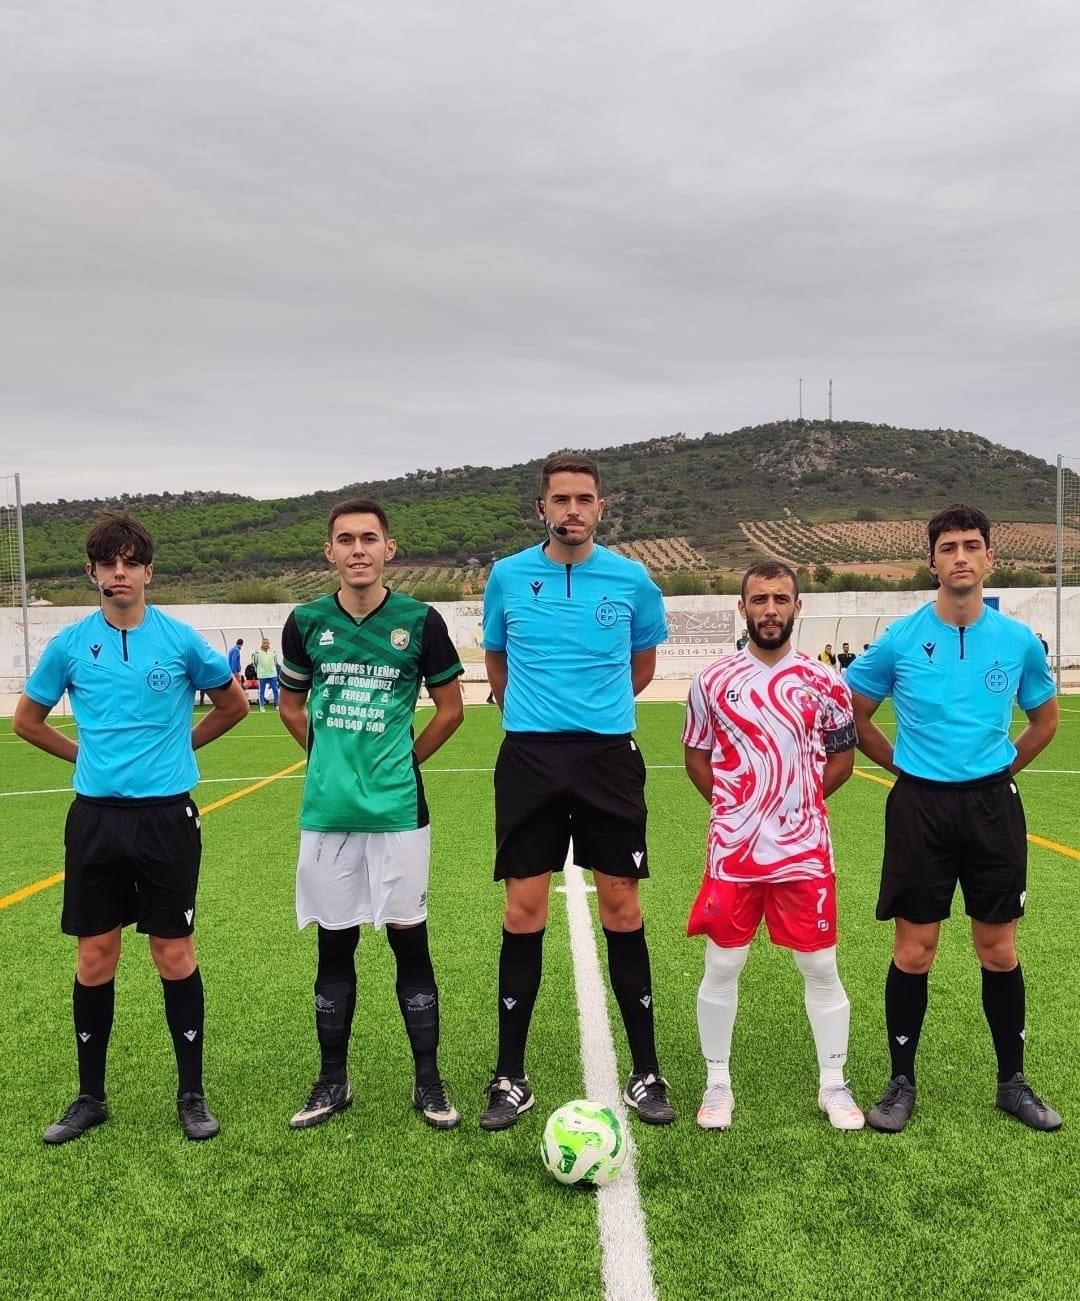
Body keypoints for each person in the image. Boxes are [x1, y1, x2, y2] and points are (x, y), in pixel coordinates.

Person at [12, 514, 249, 1144]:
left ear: (148, 570)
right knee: (95, 956)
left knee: (174, 954)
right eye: (107, 563)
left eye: (131, 562)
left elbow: (235, 704)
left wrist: (184, 749)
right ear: (92, 572)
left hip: (167, 818)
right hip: (96, 821)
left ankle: (192, 1094)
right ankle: (90, 1096)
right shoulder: (68, 644)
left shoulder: (181, 641)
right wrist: (84, 760)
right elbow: (28, 721)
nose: (120, 573)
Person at [847, 503, 1060, 1133]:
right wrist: (905, 770)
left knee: (998, 949)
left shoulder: (1018, 640)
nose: (960, 556)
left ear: (990, 557)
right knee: (915, 951)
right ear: (932, 560)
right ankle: (901, 1082)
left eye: (971, 545)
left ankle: (1012, 1083)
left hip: (993, 806)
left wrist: (1000, 772)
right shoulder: (902, 638)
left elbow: (1044, 719)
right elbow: (855, 716)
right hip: (920, 807)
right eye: (948, 547)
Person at [479, 452, 675, 1130]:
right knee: (523, 909)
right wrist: (527, 710)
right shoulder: (507, 576)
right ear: (541, 508)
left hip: (607, 758)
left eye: (583, 498)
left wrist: (598, 712)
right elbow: (495, 657)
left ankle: (647, 1070)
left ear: (601, 506)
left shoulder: (630, 578)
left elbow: (641, 662)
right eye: (560, 498)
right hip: (529, 758)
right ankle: (510, 1075)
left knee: (621, 905)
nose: (572, 509)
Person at [278, 498, 465, 1131]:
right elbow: (291, 707)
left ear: (390, 549)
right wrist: (329, 761)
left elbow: (450, 710)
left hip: (399, 810)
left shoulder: (420, 620)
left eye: (369, 539)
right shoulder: (304, 622)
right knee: (336, 944)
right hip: (328, 812)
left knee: (410, 941)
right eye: (345, 540)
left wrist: (402, 762)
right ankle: (332, 1081)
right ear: (328, 552)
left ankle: (428, 1082)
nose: (358, 550)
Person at [683, 561, 863, 1132]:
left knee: (820, 963)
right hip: (733, 853)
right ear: (743, 608)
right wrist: (738, 809)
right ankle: (718, 1084)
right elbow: (696, 756)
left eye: (780, 599)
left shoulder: (827, 682)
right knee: (723, 962)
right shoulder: (712, 680)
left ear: (797, 607)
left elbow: (842, 761)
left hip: (804, 851)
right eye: (758, 599)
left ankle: (833, 1084)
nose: (770, 609)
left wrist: (798, 802)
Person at [254, 637, 280, 711]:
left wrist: (272, 669)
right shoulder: (257, 652)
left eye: (267, 643)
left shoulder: (273, 651)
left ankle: (277, 705)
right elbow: (255, 663)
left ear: (269, 644)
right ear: (262, 644)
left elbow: (275, 662)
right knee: (261, 690)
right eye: (264, 643)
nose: (266, 644)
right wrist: (259, 669)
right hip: (262, 675)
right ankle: (262, 706)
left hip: (272, 674)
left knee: (275, 689)